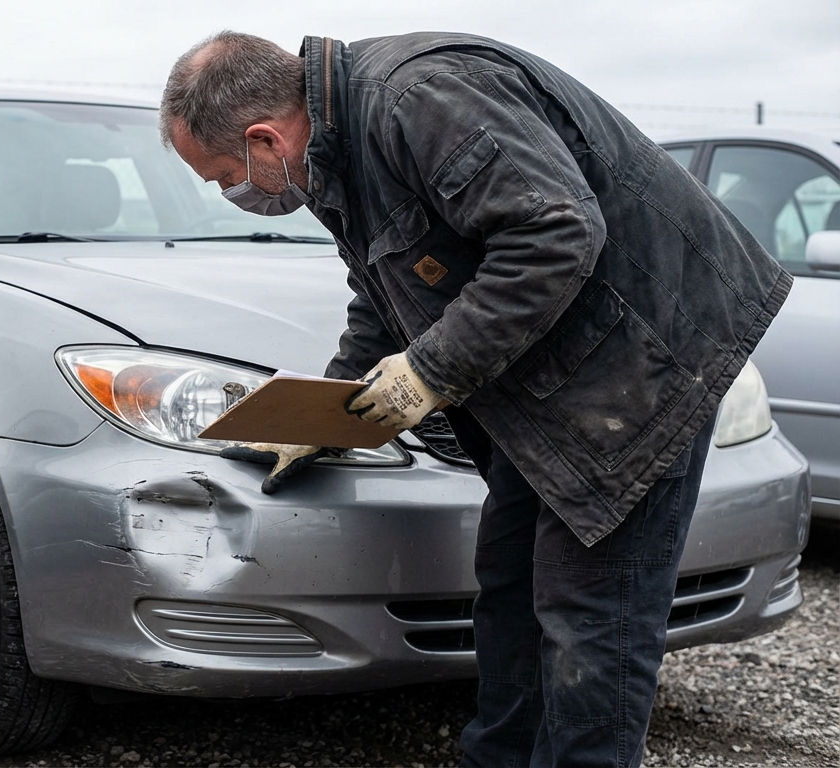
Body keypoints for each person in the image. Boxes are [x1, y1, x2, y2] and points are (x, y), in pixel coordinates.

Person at [161, 31, 791, 767]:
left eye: (223, 176)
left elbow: (555, 233)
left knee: (591, 617)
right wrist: (325, 412)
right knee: (511, 590)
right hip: (553, 379)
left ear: (264, 137)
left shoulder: (420, 99)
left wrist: (429, 371)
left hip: (641, 358)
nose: (232, 194)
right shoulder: (335, 157)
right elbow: (382, 296)